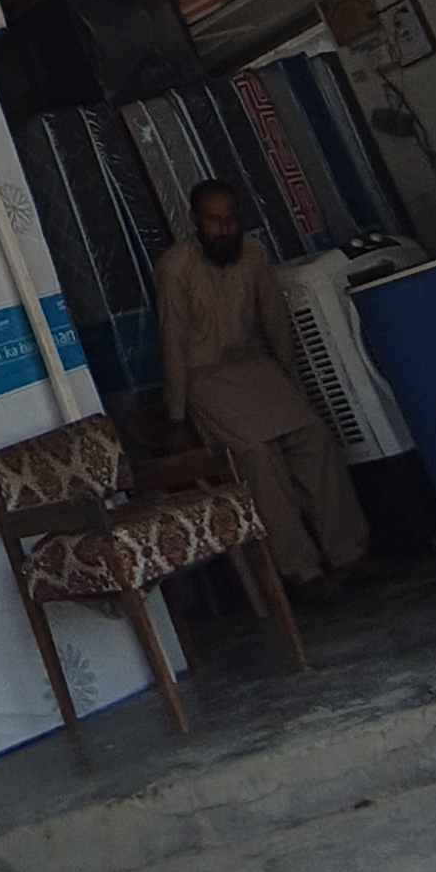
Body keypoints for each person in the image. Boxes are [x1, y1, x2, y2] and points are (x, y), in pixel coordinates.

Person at [154, 180, 368, 593]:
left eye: (230, 219)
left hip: (256, 368)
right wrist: (176, 420)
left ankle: (348, 552)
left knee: (315, 436)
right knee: (257, 454)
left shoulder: (254, 254)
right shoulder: (175, 268)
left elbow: (275, 321)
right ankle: (300, 569)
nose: (224, 229)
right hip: (205, 377)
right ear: (195, 221)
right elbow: (173, 343)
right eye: (214, 221)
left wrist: (290, 379)